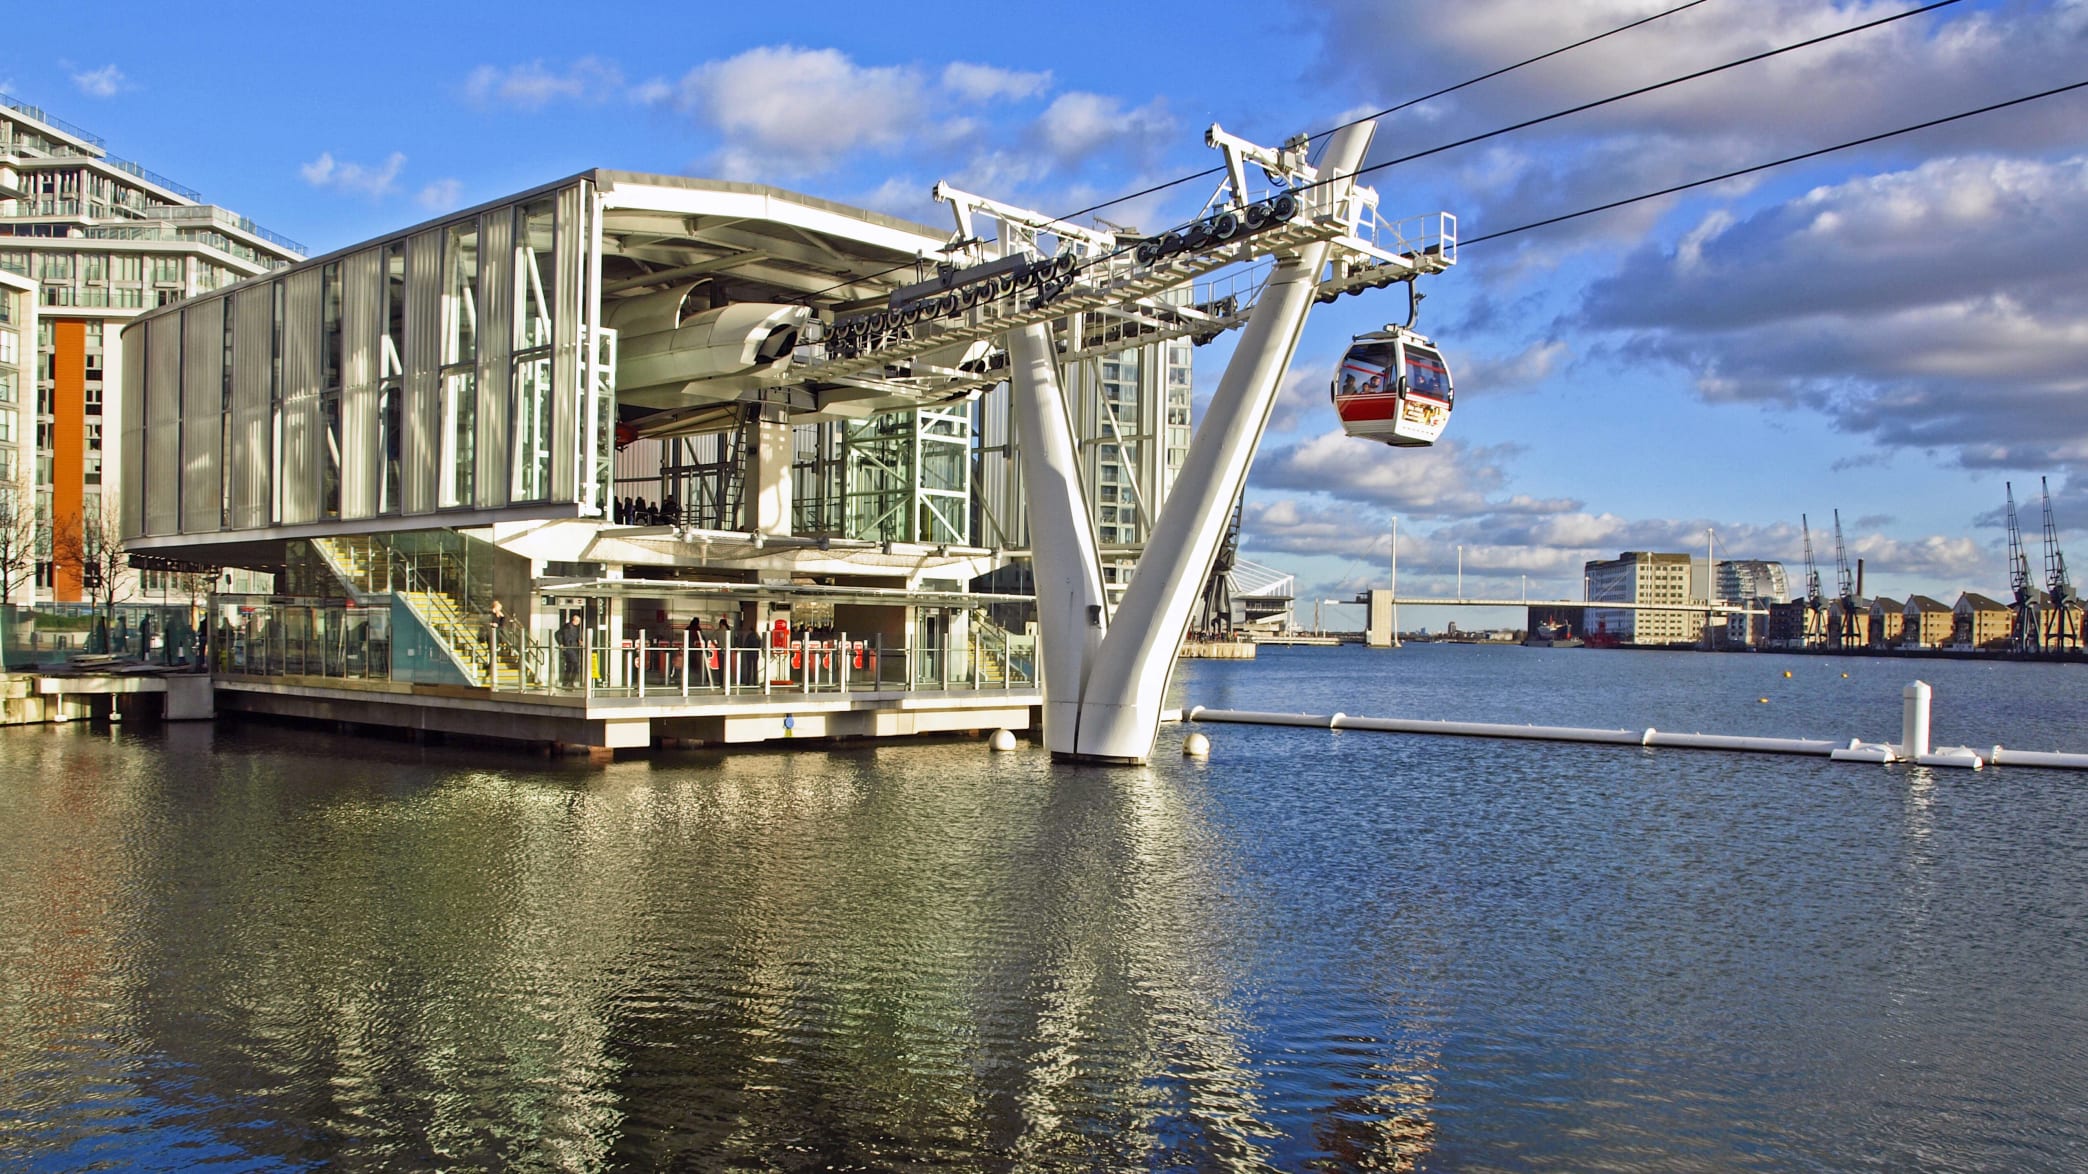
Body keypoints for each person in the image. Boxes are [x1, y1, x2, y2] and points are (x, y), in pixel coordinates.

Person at [557, 612, 583, 688]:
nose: (578, 623)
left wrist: (579, 641)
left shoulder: (576, 628)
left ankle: (566, 683)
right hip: (569, 648)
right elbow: (559, 635)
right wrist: (561, 643)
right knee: (575, 665)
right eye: (577, 621)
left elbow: (575, 637)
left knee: (570, 666)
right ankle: (569, 682)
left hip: (574, 648)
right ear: (574, 620)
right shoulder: (567, 627)